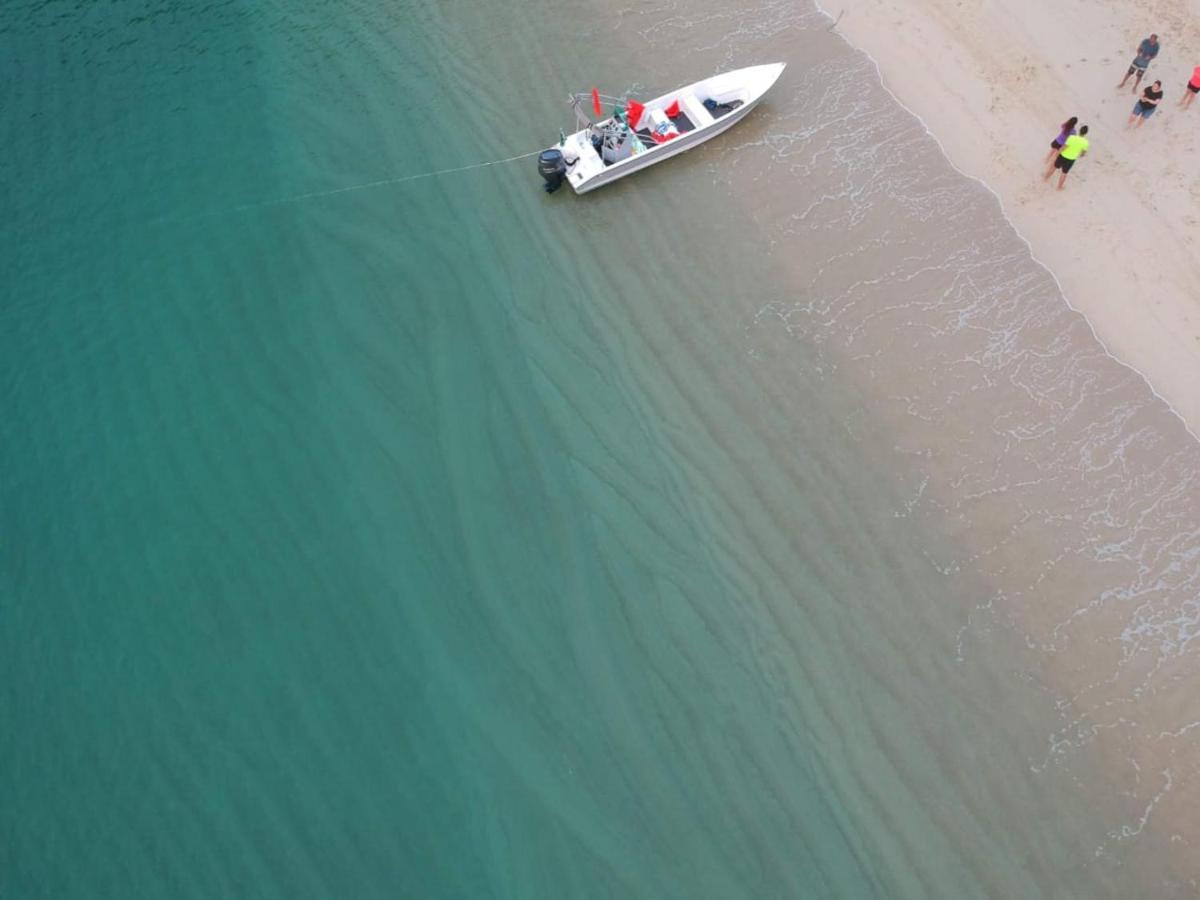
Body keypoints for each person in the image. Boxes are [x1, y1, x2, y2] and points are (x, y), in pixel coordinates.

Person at [1043, 125, 1088, 190]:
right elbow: (1083, 153)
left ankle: (1045, 178)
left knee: (1054, 167)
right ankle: (1059, 187)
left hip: (1063, 155)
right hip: (1071, 159)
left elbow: (1064, 147)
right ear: (1085, 133)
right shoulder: (1085, 142)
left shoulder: (1072, 137)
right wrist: (1081, 155)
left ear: (1079, 130)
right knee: (1064, 173)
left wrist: (1058, 153)